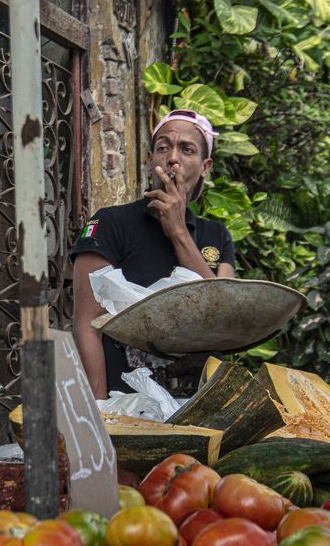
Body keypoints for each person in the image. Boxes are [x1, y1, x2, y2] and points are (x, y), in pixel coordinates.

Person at [71, 109, 236, 399]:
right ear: (150, 160)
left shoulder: (216, 235)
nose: (173, 157)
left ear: (205, 165)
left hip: (196, 406)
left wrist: (178, 232)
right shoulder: (111, 223)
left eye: (187, 149)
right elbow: (88, 326)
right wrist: (100, 413)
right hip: (124, 405)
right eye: (163, 147)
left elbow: (220, 319)